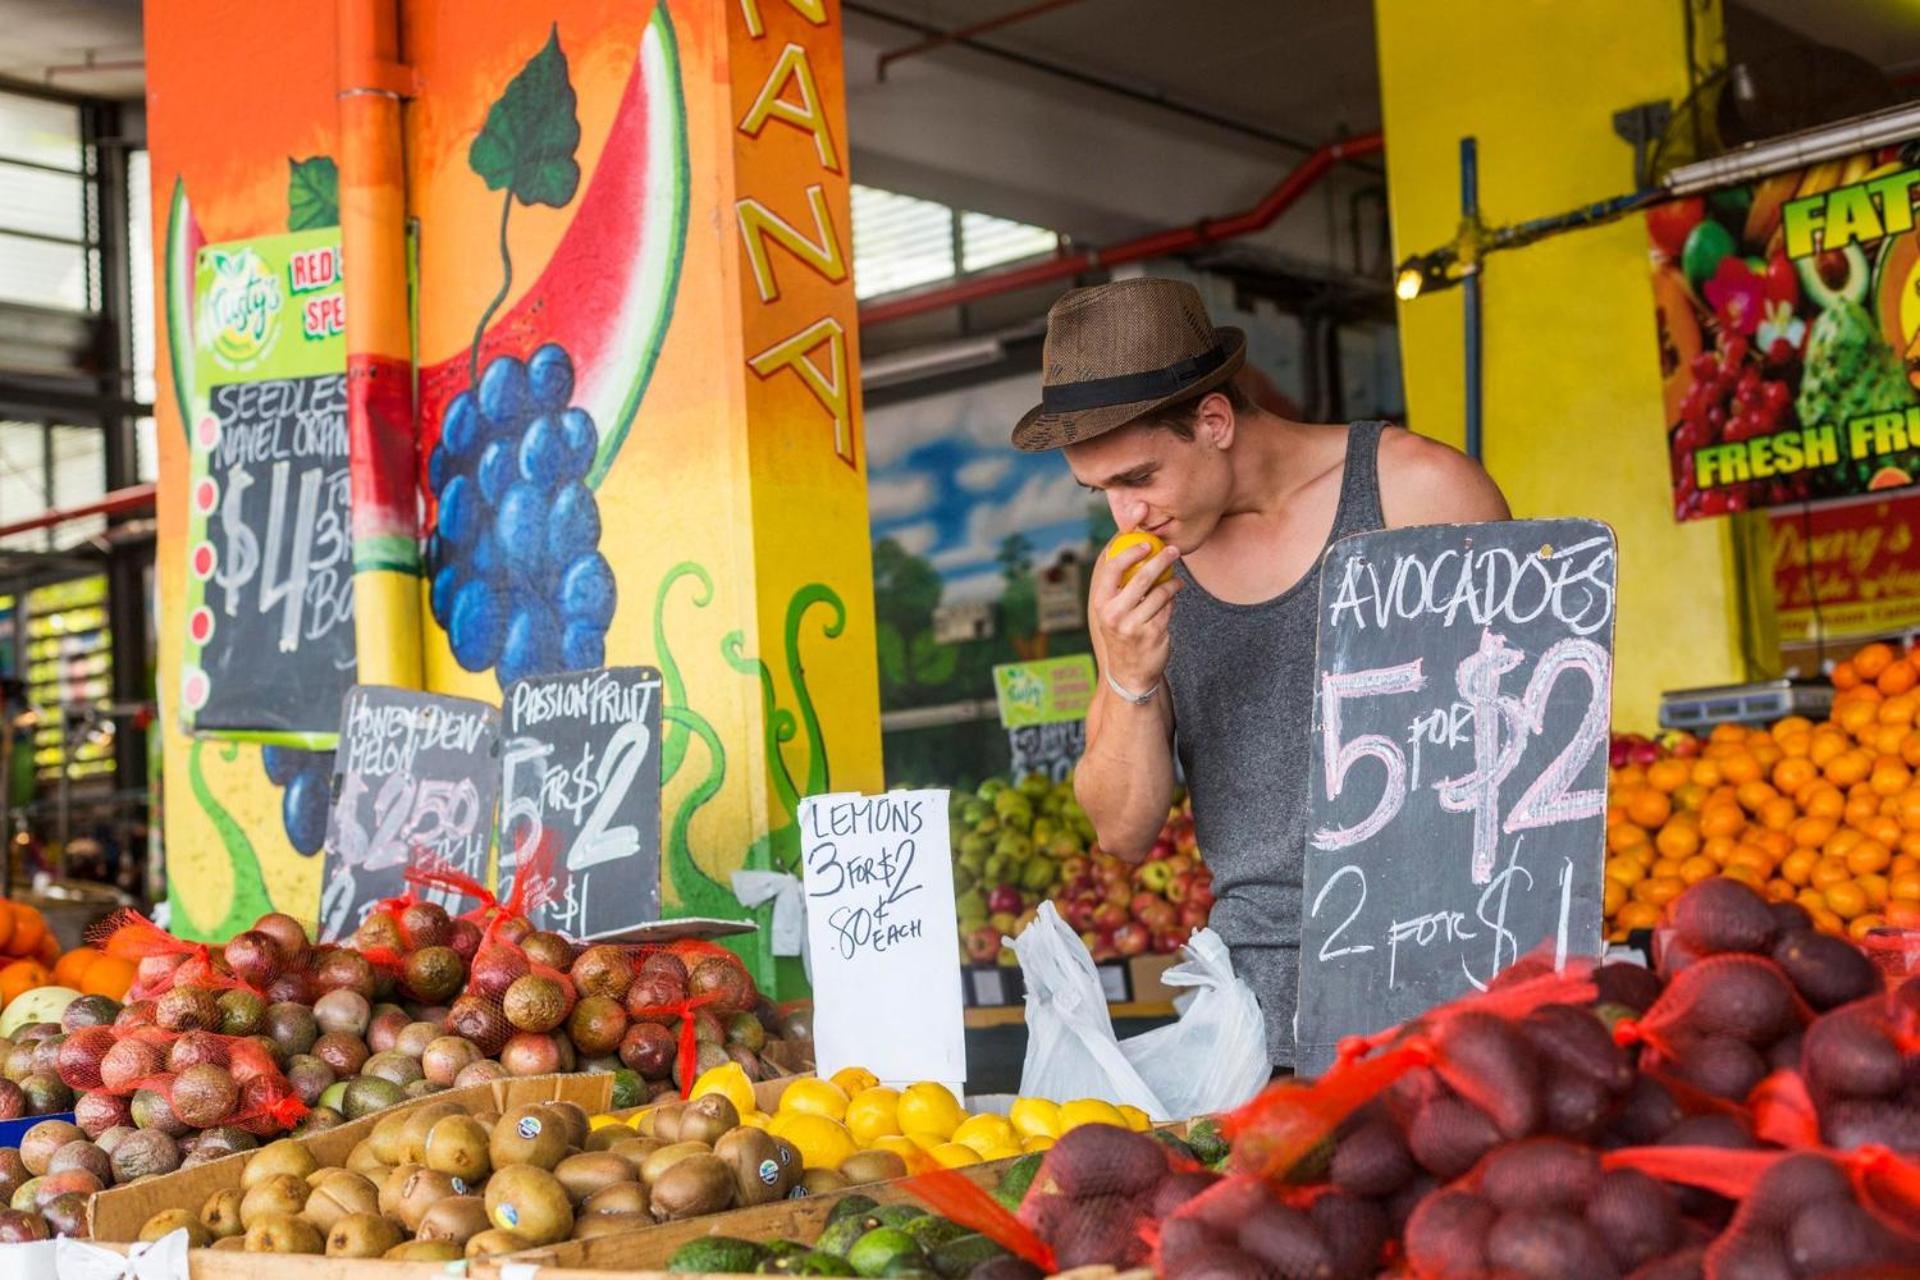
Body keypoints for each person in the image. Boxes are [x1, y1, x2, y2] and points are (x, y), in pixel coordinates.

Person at [1012, 277, 1510, 1069]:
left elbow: (1517, 758)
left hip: (1444, 975)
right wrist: (1130, 678)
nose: (1124, 517)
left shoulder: (1418, 495)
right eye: (1099, 490)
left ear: (1213, 421)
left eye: (1138, 478)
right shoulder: (1139, 580)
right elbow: (1122, 829)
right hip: (1258, 1018)